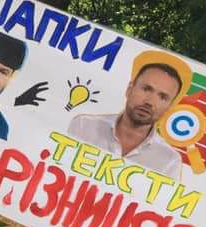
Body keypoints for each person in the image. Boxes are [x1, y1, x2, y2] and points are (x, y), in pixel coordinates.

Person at [68, 50, 188, 179]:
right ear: (129, 89)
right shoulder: (83, 125)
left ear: (169, 107)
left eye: (162, 97)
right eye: (146, 89)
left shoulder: (169, 161)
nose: (149, 102)